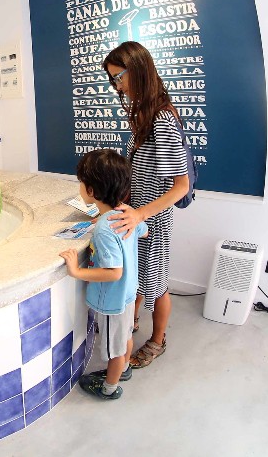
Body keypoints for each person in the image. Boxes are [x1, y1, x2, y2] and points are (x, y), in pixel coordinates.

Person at [102, 41, 190, 369]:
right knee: (136, 275)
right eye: (113, 79)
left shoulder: (162, 119)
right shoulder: (144, 113)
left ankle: (158, 340)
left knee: (157, 285)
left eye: (119, 77)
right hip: (137, 214)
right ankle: (133, 320)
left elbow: (181, 186)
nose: (117, 86)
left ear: (137, 69)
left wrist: (140, 213)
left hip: (153, 219)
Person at [60, 149, 147, 399]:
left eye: (81, 182)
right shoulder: (126, 213)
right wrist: (104, 218)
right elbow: (144, 231)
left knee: (114, 350)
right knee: (125, 336)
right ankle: (125, 368)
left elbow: (113, 272)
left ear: (91, 191)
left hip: (112, 300)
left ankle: (109, 388)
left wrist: (77, 271)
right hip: (128, 294)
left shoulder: (104, 230)